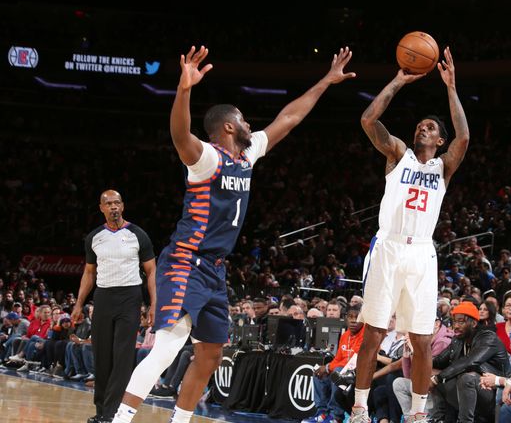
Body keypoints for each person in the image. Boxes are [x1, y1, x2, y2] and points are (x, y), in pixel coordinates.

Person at [110, 45, 355, 423]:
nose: (248, 123)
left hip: (214, 269)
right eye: (241, 119)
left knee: (210, 353)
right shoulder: (208, 158)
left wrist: (326, 79)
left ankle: (180, 420)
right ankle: (120, 419)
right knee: (168, 346)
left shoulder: (247, 155)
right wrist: (185, 89)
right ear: (228, 126)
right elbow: (179, 134)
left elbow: (288, 117)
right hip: (185, 261)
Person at [352, 46, 470, 423]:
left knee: (420, 341)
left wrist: (451, 87)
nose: (423, 127)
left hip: (421, 254)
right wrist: (399, 81)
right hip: (388, 246)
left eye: (431, 127)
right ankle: (358, 409)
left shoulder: (442, 168)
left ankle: (418, 415)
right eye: (421, 124)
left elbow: (464, 138)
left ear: (438, 141)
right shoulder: (398, 154)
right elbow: (369, 120)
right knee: (372, 335)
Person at [66, 189, 158, 423]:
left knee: (123, 358)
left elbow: (151, 272)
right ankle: (101, 412)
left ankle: (113, 413)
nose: (113, 207)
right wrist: (79, 303)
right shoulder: (94, 237)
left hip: (130, 298)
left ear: (123, 206)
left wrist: (153, 304)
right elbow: (89, 273)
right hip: (103, 298)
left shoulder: (138, 234)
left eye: (117, 202)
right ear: (101, 208)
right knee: (102, 356)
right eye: (109, 204)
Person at [431, 302, 509, 423]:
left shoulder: (488, 337)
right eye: (454, 321)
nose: (456, 326)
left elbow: (470, 361)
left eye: (461, 322)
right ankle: (440, 420)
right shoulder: (458, 340)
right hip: (468, 392)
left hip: (494, 392)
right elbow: (437, 362)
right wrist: (418, 349)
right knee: (437, 378)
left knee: (466, 378)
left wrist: (437, 378)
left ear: (473, 323)